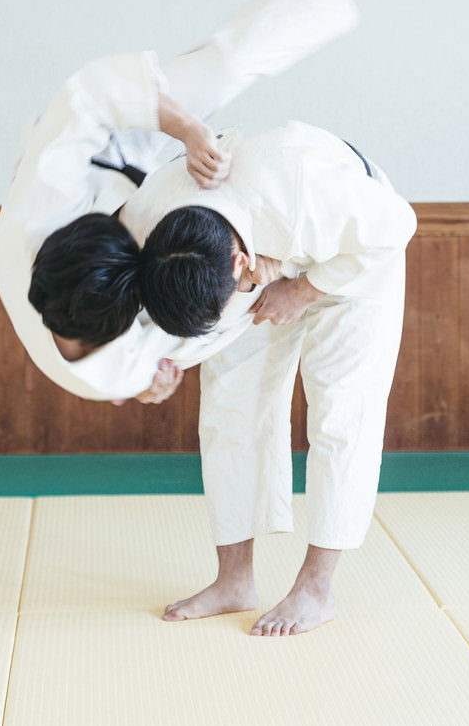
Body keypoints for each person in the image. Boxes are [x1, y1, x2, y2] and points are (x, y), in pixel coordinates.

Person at [0, 0, 452, 407]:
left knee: (224, 67)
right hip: (154, 237)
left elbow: (89, 94)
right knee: (214, 276)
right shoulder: (119, 371)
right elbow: (206, 321)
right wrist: (257, 280)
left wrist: (188, 129)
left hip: (110, 146)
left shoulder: (35, 218)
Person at [124, 120, 415, 637]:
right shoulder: (147, 218)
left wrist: (303, 289)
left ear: (240, 261)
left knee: (342, 412)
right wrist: (154, 366)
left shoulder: (309, 188)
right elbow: (140, 315)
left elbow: (398, 225)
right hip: (249, 246)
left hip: (357, 252)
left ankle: (316, 589)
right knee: (229, 406)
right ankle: (233, 580)